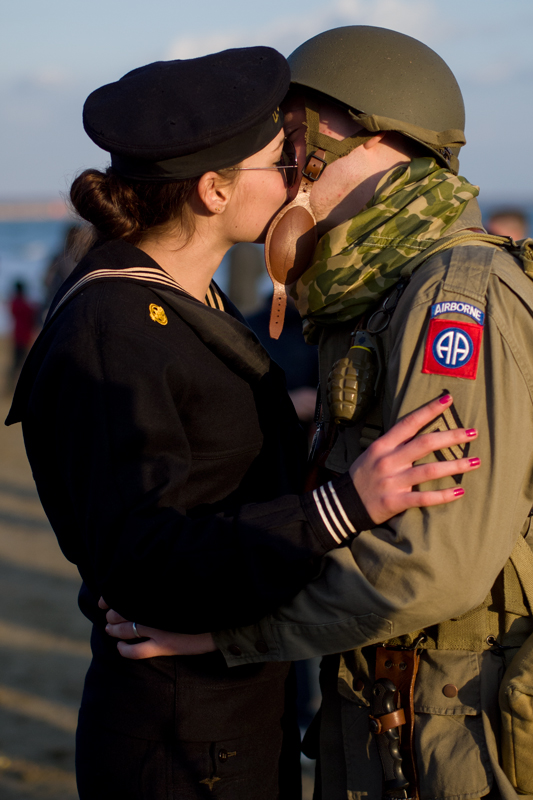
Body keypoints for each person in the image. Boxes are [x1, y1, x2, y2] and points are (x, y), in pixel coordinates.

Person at [105, 28, 533, 800]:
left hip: (461, 720)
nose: (281, 153)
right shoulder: (376, 288)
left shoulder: (456, 297)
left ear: (366, 133)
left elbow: (436, 562)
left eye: (293, 129)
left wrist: (228, 631)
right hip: (399, 701)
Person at [5, 46, 481, 800]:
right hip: (179, 732)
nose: (301, 180)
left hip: (230, 710)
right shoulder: (111, 327)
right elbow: (144, 562)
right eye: (282, 163)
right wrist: (344, 506)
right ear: (213, 190)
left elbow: (210, 447)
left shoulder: (184, 297)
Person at [7, 280, 37, 391]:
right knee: (23, 362)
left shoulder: (14, 303)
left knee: (17, 362)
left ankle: (12, 384)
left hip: (17, 335)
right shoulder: (23, 304)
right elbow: (32, 313)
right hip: (25, 336)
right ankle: (19, 385)